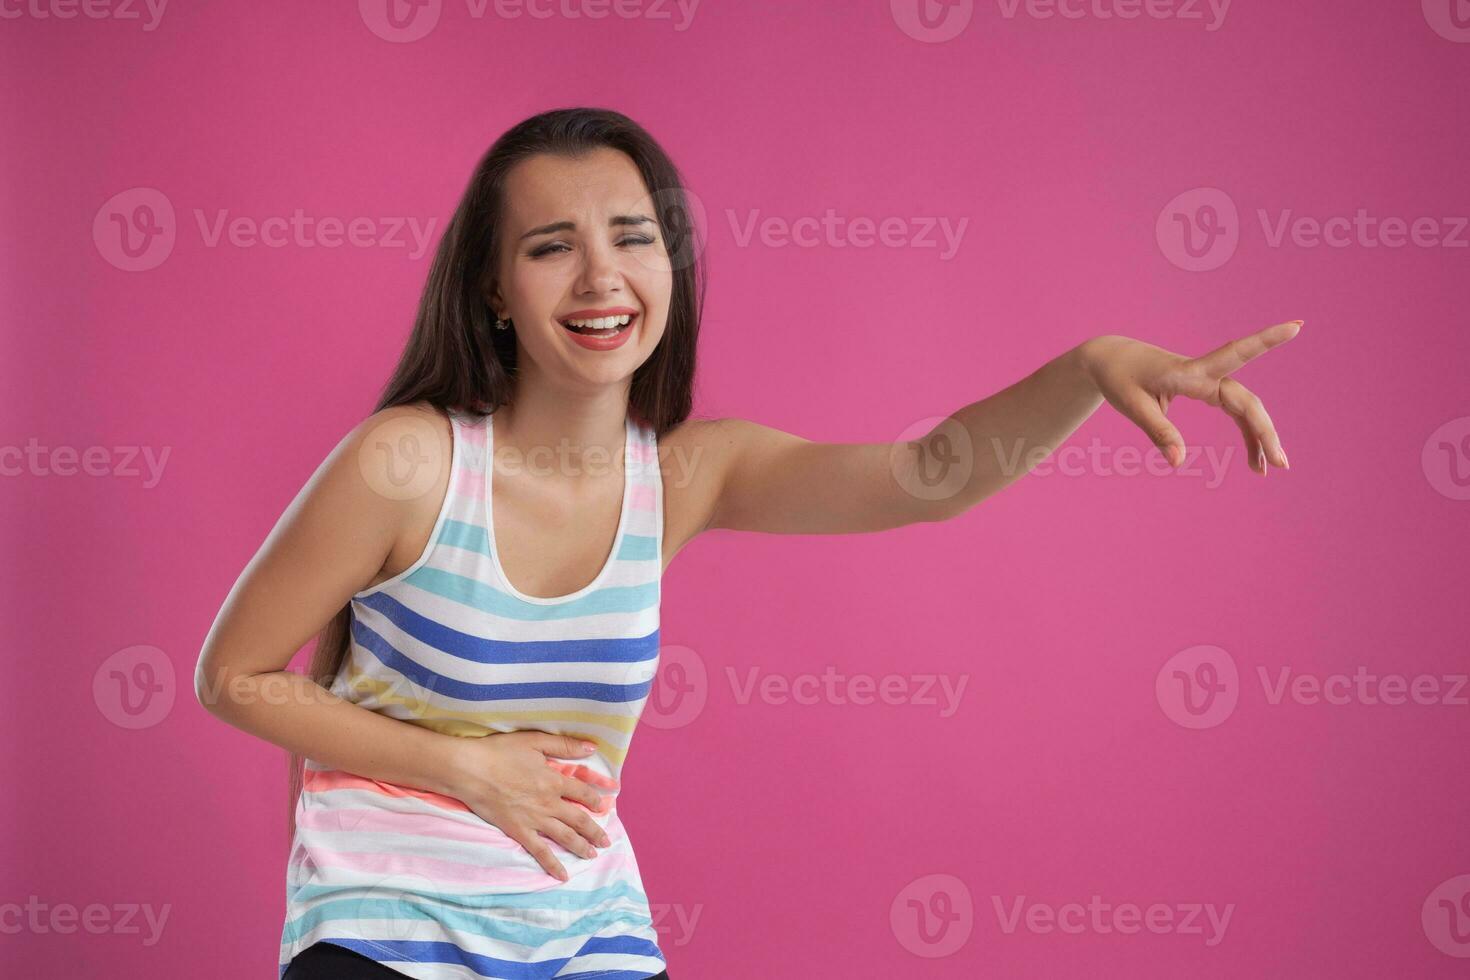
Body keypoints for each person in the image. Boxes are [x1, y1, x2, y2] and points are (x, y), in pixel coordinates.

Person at [194, 106, 1298, 980]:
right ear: (493, 288)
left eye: (633, 238)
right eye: (551, 247)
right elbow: (232, 675)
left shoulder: (683, 474)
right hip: (385, 923)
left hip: (586, 929)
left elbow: (925, 478)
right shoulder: (408, 462)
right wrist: (467, 768)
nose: (600, 278)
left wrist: (1089, 366)